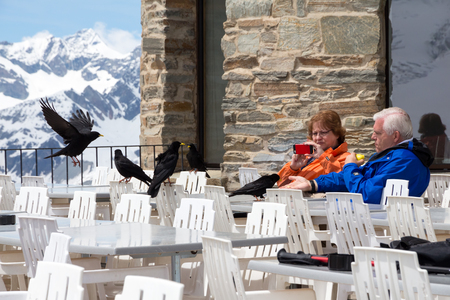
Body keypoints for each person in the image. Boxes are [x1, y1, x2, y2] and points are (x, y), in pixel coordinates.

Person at [281, 107, 433, 204]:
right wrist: (312, 184)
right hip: (370, 221)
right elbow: (348, 178)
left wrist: (350, 167)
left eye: (378, 133)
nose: (372, 137)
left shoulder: (404, 160)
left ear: (395, 136)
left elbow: (367, 193)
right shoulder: (391, 156)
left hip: (385, 229)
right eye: (315, 133)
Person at [277, 110, 350, 188]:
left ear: (337, 134)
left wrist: (323, 157)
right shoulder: (307, 157)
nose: (318, 138)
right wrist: (293, 169)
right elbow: (280, 183)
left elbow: (340, 180)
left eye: (323, 132)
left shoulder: (347, 158)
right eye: (315, 133)